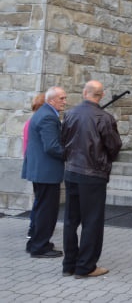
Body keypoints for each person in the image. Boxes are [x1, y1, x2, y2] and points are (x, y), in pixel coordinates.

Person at [61, 80, 122, 278]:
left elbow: (63, 141)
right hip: (93, 173)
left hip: (72, 171)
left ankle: (69, 264)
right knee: (92, 220)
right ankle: (85, 266)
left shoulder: (70, 114)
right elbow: (114, 146)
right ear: (101, 95)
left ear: (84, 92)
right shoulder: (104, 118)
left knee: (71, 219)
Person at [22, 87, 67, 258]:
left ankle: (35, 242)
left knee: (41, 207)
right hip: (46, 172)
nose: (64, 101)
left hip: (41, 170)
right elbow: (52, 147)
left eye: (65, 98)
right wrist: (71, 154)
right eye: (61, 98)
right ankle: (40, 247)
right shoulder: (48, 116)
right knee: (46, 210)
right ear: (51, 100)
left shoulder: (43, 113)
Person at [22, 92, 47, 239]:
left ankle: (36, 225)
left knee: (38, 197)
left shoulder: (30, 122)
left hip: (32, 164)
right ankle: (33, 227)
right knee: (40, 198)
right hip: (38, 166)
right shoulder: (37, 122)